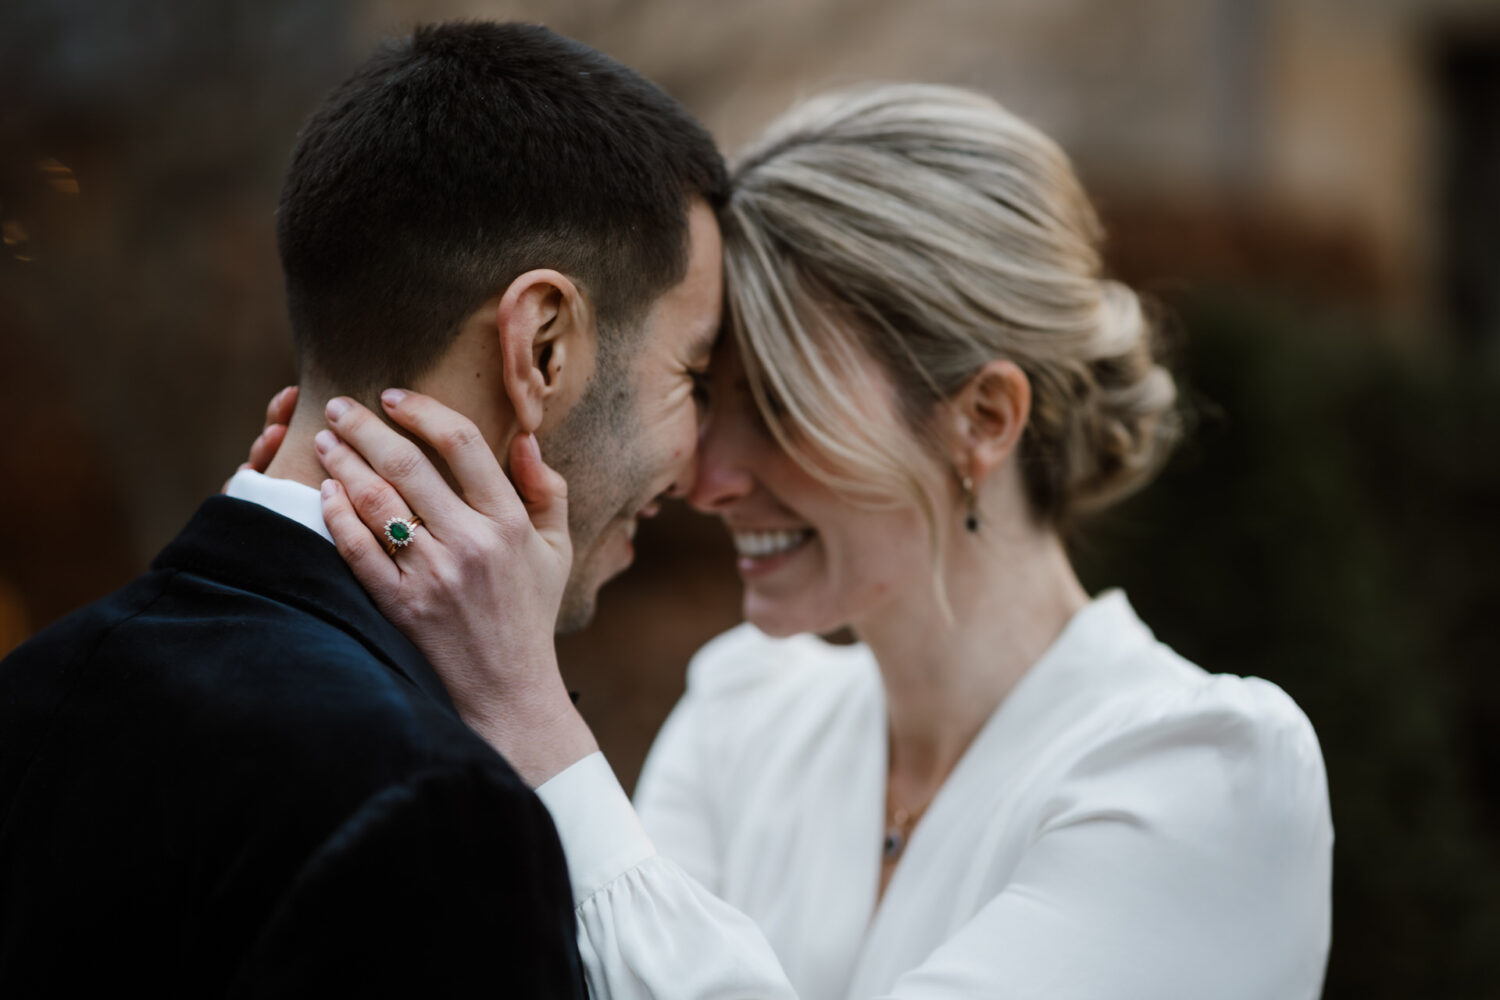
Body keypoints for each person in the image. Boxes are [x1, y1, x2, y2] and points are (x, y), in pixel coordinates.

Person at [297, 84, 1335, 998]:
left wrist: (526, 709)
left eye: (782, 409)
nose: (707, 479)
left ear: (982, 418)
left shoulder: (1205, 772)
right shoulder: (744, 714)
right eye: (705, 395)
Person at [0, 21, 727, 995]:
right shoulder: (437, 811)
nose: (698, 462)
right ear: (542, 347)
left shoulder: (36, 684)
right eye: (693, 372)